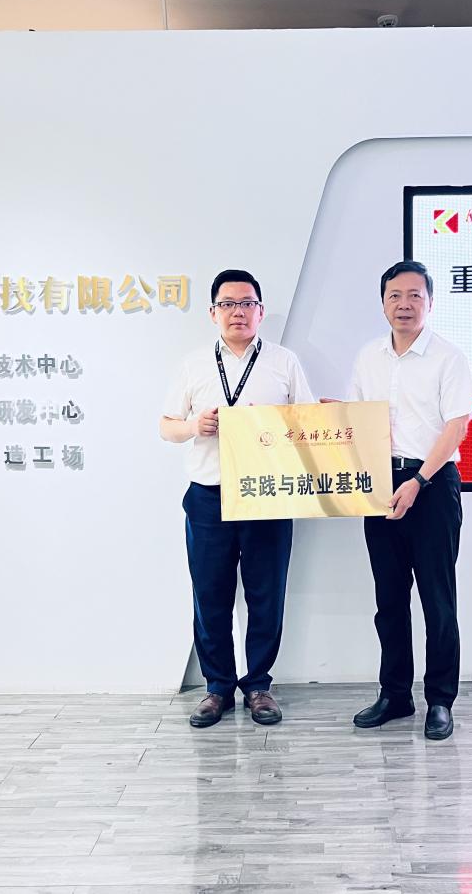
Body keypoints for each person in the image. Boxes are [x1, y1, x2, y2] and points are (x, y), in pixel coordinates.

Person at [160, 269, 314, 728]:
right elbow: (166, 426)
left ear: (261, 311)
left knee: (267, 595)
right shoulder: (193, 365)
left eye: (247, 303)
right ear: (213, 313)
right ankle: (217, 688)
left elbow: (309, 425)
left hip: (268, 494)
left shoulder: (284, 362)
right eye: (228, 304)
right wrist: (195, 426)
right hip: (209, 496)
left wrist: (273, 425)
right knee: (210, 596)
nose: (238, 312)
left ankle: (259, 686)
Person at [348, 260, 472, 741]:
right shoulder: (368, 357)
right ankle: (395, 695)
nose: (404, 304)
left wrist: (418, 480)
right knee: (389, 599)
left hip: (433, 485)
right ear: (383, 303)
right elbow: (358, 420)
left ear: (430, 302)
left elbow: (456, 428)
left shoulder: (448, 357)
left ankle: (440, 700)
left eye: (414, 295)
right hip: (381, 485)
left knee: (438, 600)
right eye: (395, 296)